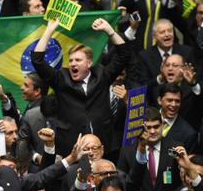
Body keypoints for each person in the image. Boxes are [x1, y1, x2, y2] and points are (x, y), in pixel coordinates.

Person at [32, 17, 130, 156]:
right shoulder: (61, 79)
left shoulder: (101, 75)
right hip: (72, 147)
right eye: (71, 60)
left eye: (78, 60)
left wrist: (109, 31)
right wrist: (49, 30)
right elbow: (37, 61)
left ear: (89, 63)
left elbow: (124, 54)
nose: (72, 64)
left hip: (105, 144)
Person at [117, 107, 182, 191]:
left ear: (162, 124)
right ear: (142, 128)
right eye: (148, 127)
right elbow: (121, 184)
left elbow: (185, 179)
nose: (152, 131)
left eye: (156, 126)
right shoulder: (128, 152)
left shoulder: (175, 148)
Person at [157, 83, 197, 152]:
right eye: (169, 100)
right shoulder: (145, 121)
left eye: (177, 101)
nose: (173, 105)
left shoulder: (188, 134)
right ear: (160, 100)